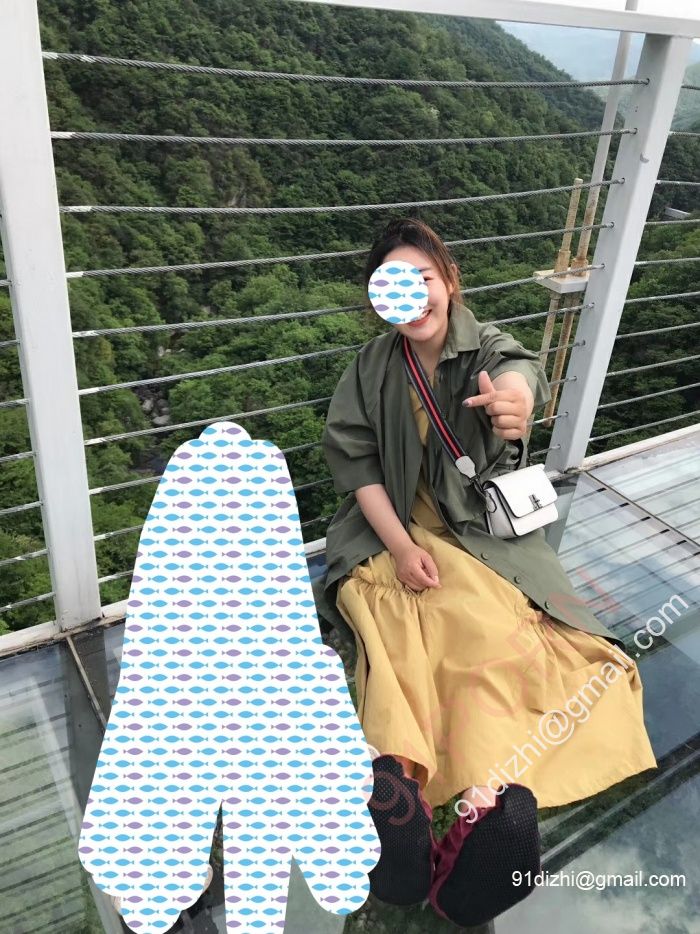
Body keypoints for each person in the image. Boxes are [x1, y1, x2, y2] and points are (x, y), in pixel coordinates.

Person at [313, 217, 658, 928]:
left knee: (482, 630)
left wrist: (515, 403)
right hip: (386, 527)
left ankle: (449, 796)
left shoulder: (486, 349)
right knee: (390, 626)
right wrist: (399, 547)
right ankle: (427, 793)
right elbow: (360, 470)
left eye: (423, 278)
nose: (412, 297)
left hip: (467, 530)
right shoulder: (370, 367)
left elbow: (520, 377)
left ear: (449, 281)